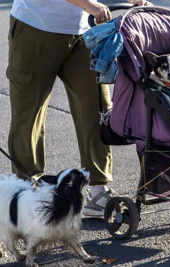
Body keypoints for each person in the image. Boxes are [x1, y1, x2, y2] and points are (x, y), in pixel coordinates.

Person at [7, 0, 149, 217]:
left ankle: (98, 190)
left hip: (85, 32)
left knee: (96, 109)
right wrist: (88, 4)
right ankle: (27, 193)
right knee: (30, 115)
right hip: (35, 26)